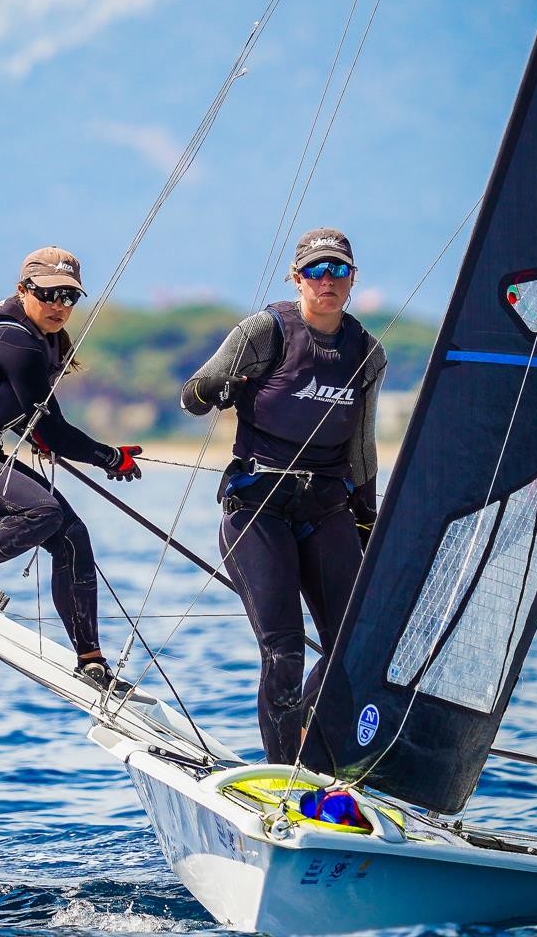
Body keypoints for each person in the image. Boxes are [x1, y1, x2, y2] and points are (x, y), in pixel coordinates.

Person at [181, 228, 386, 764]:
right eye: (316, 271)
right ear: (297, 278)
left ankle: (312, 759)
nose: (328, 282)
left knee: (356, 646)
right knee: (285, 652)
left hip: (326, 508)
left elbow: (361, 445)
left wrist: (369, 515)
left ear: (352, 280)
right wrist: (217, 390)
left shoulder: (367, 352)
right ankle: (282, 778)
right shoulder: (263, 331)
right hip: (257, 508)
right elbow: (192, 397)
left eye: (339, 271)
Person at [0, 246, 143, 694]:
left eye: (70, 297)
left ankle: (92, 664)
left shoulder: (44, 338)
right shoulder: (12, 338)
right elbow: (53, 429)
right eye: (49, 294)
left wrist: (35, 433)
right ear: (23, 289)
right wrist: (110, 458)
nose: (59, 306)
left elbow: (27, 416)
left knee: (71, 533)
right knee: (41, 512)